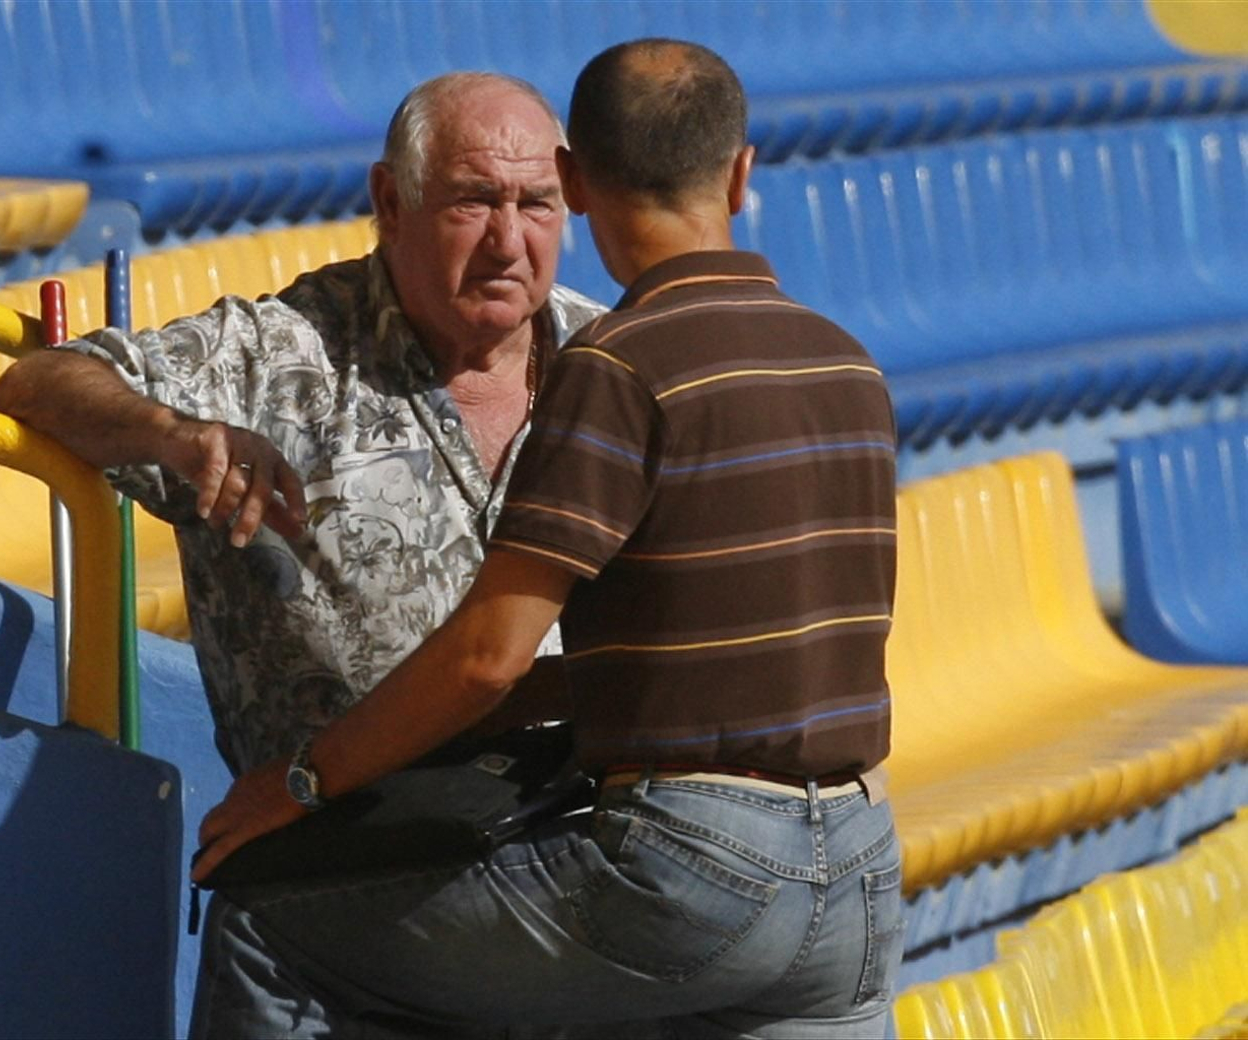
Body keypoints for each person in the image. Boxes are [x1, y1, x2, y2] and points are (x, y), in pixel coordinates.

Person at [192, 38, 904, 1039]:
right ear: (741, 175)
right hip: (859, 870)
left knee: (272, 921)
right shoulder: (844, 362)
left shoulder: (619, 361)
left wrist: (305, 780)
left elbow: (488, 655)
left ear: (568, 183)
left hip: (689, 873)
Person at [0, 72, 606, 1035]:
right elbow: (41, 380)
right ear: (390, 203)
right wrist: (178, 437)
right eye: (473, 201)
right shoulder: (282, 356)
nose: (508, 239)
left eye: (536, 204)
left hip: (554, 894)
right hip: (335, 893)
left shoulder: (611, 366)